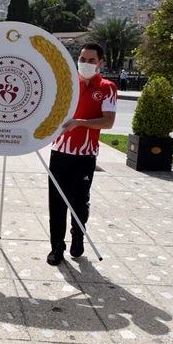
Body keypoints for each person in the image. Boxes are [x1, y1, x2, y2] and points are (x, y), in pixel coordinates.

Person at [47, 43, 116, 266]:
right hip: (59, 152)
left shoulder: (107, 87)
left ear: (100, 63)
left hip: (85, 156)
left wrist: (79, 123)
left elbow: (108, 122)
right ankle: (57, 246)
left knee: (78, 201)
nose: (85, 64)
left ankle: (78, 234)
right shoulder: (67, 85)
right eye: (82, 59)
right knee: (57, 203)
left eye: (91, 60)